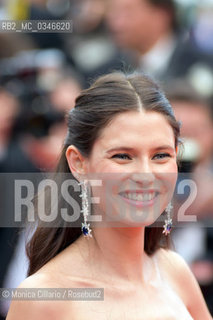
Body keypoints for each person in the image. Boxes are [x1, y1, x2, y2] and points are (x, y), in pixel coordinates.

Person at [6, 72, 212, 319]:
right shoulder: (45, 296)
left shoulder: (174, 271)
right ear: (79, 163)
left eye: (161, 155)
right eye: (122, 156)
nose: (146, 175)